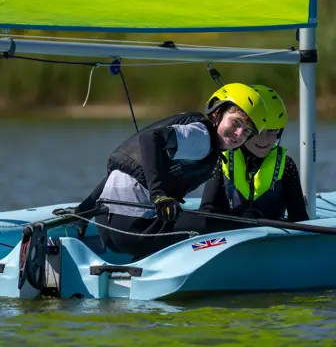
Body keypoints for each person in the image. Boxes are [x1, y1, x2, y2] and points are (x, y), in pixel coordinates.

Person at [56, 83, 268, 258]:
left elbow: (126, 172)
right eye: (236, 122)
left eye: (247, 131)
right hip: (134, 230)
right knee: (220, 222)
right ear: (217, 114)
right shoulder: (201, 136)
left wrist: (82, 211)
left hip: (110, 229)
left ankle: (146, 261)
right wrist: (159, 195)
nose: (239, 133)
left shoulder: (198, 135)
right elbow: (149, 138)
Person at [199, 84, 309, 233]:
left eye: (272, 131)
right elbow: (206, 211)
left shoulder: (287, 165)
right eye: (259, 132)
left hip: (270, 241)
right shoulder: (221, 160)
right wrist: (238, 218)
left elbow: (299, 218)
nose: (265, 140)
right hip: (230, 238)